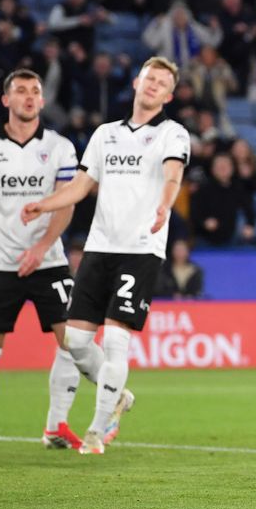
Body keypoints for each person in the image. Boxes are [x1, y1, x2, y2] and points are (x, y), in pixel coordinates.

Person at [21, 56, 191, 455]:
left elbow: (172, 175)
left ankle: (97, 430)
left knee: (116, 339)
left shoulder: (173, 134)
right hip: (99, 248)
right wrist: (44, 205)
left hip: (140, 250)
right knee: (76, 341)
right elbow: (81, 186)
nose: (153, 84)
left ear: (168, 95)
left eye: (162, 82)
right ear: (136, 82)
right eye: (149, 77)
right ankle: (117, 393)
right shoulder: (104, 135)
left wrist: (165, 205)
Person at [0, 70, 85, 452]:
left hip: (49, 261)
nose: (28, 96)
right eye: (20, 90)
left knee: (72, 340)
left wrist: (42, 246)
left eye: (35, 91)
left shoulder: (59, 147)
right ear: (5, 100)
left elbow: (66, 201)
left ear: (42, 101)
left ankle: (57, 425)